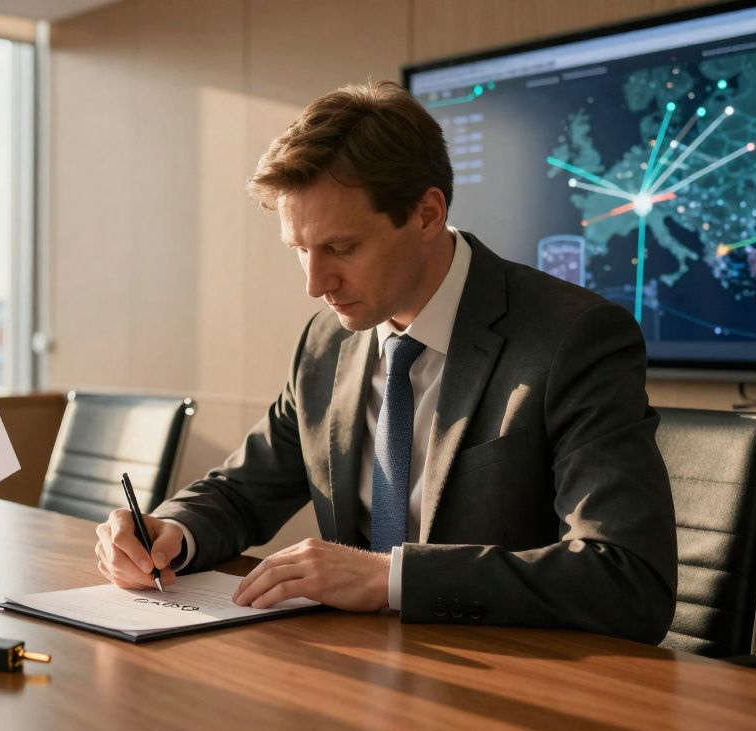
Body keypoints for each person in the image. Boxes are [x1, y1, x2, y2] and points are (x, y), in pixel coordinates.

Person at [93, 80, 677, 644]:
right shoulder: (327, 342)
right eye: (300, 250)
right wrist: (172, 531)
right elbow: (244, 491)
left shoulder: (571, 338)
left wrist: (389, 579)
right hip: (357, 671)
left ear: (426, 214)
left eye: (341, 248)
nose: (315, 283)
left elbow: (625, 577)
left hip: (509, 679)